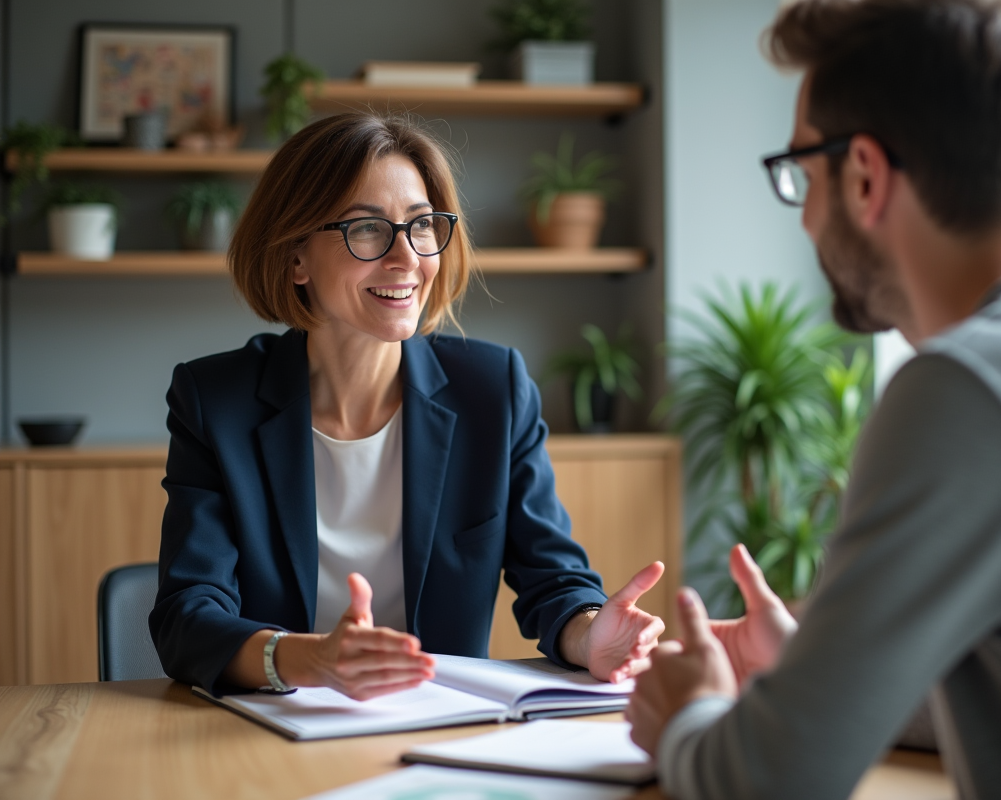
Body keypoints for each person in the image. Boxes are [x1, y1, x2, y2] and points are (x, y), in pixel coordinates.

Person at [626, 1, 1001, 798]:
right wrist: (810, 666)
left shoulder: (971, 388)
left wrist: (687, 713)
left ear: (863, 175)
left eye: (801, 173)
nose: (805, 219)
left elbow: (764, 784)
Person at [150, 112, 665, 700]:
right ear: (295, 257)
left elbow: (552, 579)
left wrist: (590, 634)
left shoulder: (492, 391)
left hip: (443, 733)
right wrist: (309, 659)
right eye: (366, 230)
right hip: (276, 730)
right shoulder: (216, 402)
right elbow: (187, 617)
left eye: (422, 226)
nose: (407, 258)